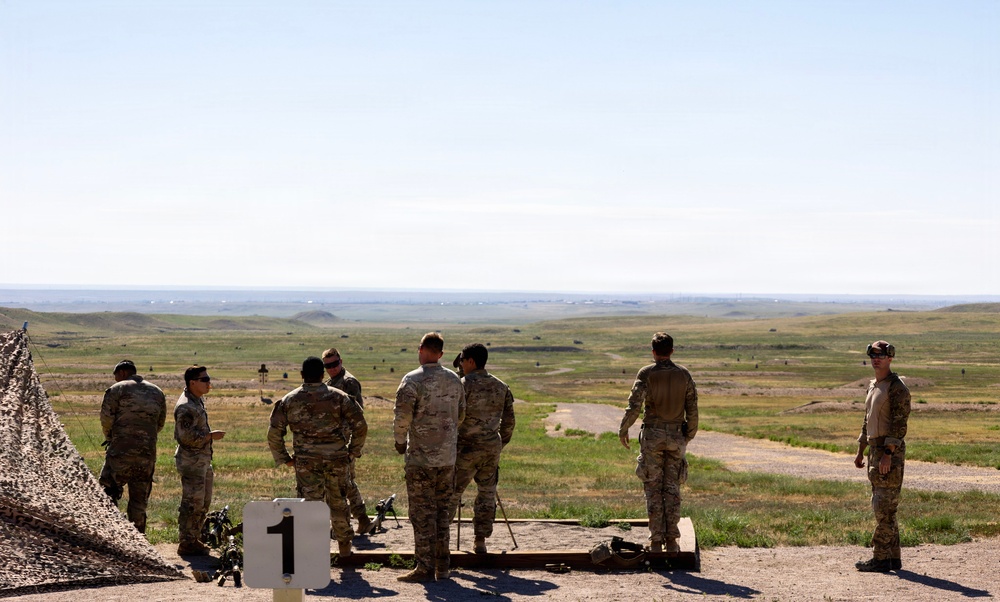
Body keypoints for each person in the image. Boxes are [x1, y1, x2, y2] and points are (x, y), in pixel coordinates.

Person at [269, 357, 367, 557]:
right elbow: (360, 425)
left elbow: (274, 433)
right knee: (338, 502)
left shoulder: (289, 400)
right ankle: (344, 547)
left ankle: (312, 550)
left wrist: (285, 458)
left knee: (310, 505)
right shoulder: (339, 397)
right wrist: (352, 451)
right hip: (337, 460)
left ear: (302, 375)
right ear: (323, 375)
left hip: (307, 463)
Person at [393, 333, 466, 582]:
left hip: (421, 460)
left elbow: (402, 418)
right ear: (441, 354)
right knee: (443, 513)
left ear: (421, 349)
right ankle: (442, 567)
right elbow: (461, 414)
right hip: (447, 459)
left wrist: (400, 442)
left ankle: (424, 567)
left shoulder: (412, 380)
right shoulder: (454, 380)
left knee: (422, 514)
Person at [618, 332, 698, 553]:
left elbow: (634, 405)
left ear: (653, 352)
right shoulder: (684, 375)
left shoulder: (646, 373)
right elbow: (692, 409)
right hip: (676, 437)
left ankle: (655, 541)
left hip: (652, 437)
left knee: (653, 488)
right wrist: (687, 435)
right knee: (672, 488)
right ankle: (671, 540)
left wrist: (624, 428)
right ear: (671, 351)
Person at [447, 343, 515, 554]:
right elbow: (509, 423)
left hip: (465, 449)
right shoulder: (501, 386)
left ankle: (441, 537)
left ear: (471, 361)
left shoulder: (461, 386)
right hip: (490, 449)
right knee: (487, 494)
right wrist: (498, 443)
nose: (460, 365)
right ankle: (480, 540)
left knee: (451, 493)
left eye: (462, 361)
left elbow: (452, 419)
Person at [854, 340, 911, 573]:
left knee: (883, 508)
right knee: (884, 506)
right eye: (873, 356)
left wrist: (888, 454)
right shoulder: (873, 386)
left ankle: (880, 558)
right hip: (875, 451)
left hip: (888, 454)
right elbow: (867, 420)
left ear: (890, 358)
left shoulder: (897, 388)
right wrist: (861, 450)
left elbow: (899, 424)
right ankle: (893, 558)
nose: (876, 360)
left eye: (880, 356)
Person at [98, 359, 167, 534]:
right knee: (139, 500)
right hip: (147, 454)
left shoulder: (117, 389)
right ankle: (138, 540)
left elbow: (106, 419)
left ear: (121, 373)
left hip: (121, 451)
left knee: (107, 491)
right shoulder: (157, 392)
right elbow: (159, 423)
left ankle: (111, 534)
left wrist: (110, 437)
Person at [174, 365, 225, 556]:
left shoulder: (196, 401)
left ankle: (194, 538)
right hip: (191, 462)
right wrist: (210, 436)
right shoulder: (186, 406)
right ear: (192, 383)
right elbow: (185, 437)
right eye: (204, 380)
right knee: (192, 503)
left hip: (200, 461)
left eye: (208, 379)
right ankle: (186, 542)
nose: (208, 383)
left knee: (203, 501)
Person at [322, 347, 371, 535]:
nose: (332, 368)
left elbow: (357, 415)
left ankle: (347, 524)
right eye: (328, 366)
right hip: (333, 442)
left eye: (335, 364)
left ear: (341, 361)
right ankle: (360, 519)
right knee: (346, 483)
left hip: (343, 442)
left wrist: (353, 447)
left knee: (343, 484)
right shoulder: (330, 382)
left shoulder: (348, 382)